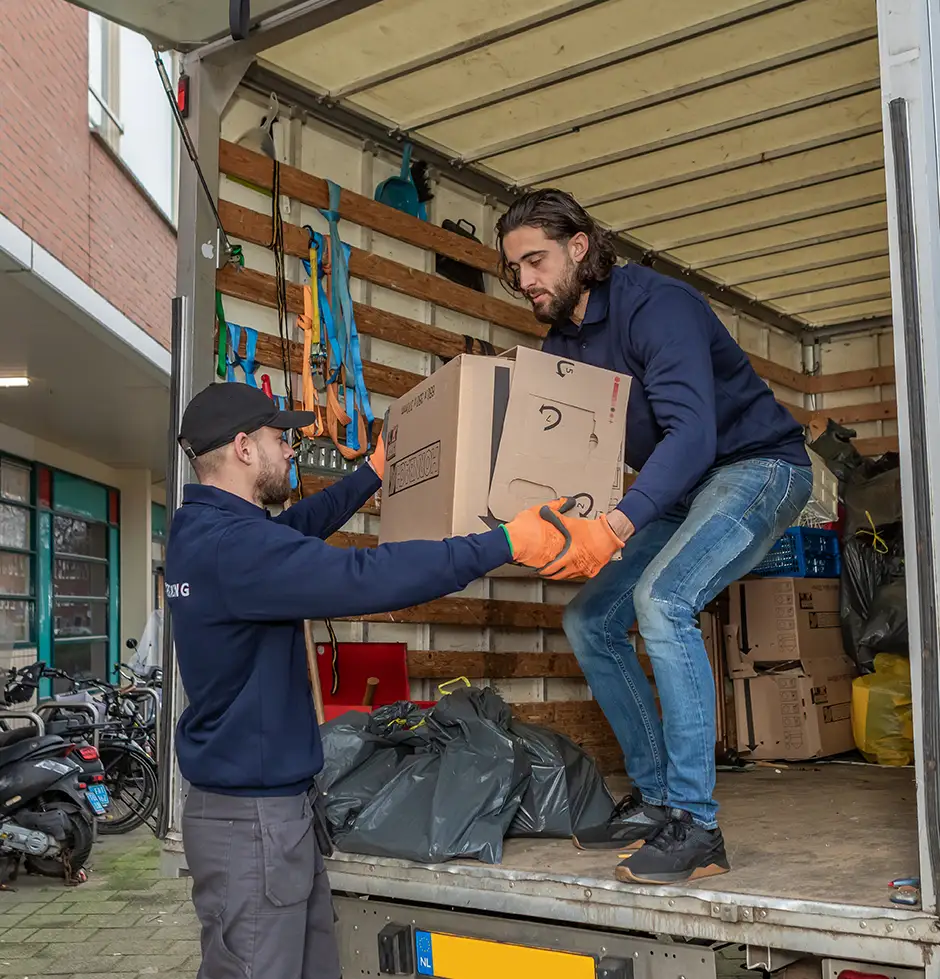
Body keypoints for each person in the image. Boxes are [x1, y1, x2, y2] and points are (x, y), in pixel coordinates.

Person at [164, 381, 566, 979]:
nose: (292, 448)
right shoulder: (234, 548)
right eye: (282, 438)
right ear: (245, 448)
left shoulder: (205, 533)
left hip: (271, 814)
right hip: (253, 826)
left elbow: (296, 529)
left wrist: (372, 474)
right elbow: (367, 575)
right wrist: (504, 542)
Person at [497, 190, 813, 886]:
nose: (525, 280)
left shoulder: (656, 306)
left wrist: (613, 525)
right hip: (680, 487)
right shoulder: (563, 343)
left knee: (662, 600)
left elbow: (693, 433)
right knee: (588, 618)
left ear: (579, 247)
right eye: (513, 268)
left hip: (757, 467)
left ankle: (697, 826)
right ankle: (658, 797)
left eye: (536, 260)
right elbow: (568, 453)